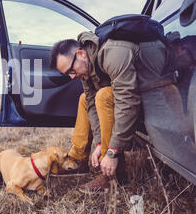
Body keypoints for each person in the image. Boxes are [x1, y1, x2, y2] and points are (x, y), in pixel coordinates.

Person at [49, 31, 169, 192]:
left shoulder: (113, 53)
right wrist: (99, 143)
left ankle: (113, 174)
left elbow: (128, 101)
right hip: (130, 98)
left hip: (154, 97)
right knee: (85, 99)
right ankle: (77, 161)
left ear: (81, 54)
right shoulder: (87, 69)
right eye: (67, 74)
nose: (72, 77)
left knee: (104, 95)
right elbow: (91, 105)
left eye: (71, 70)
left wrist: (112, 152)